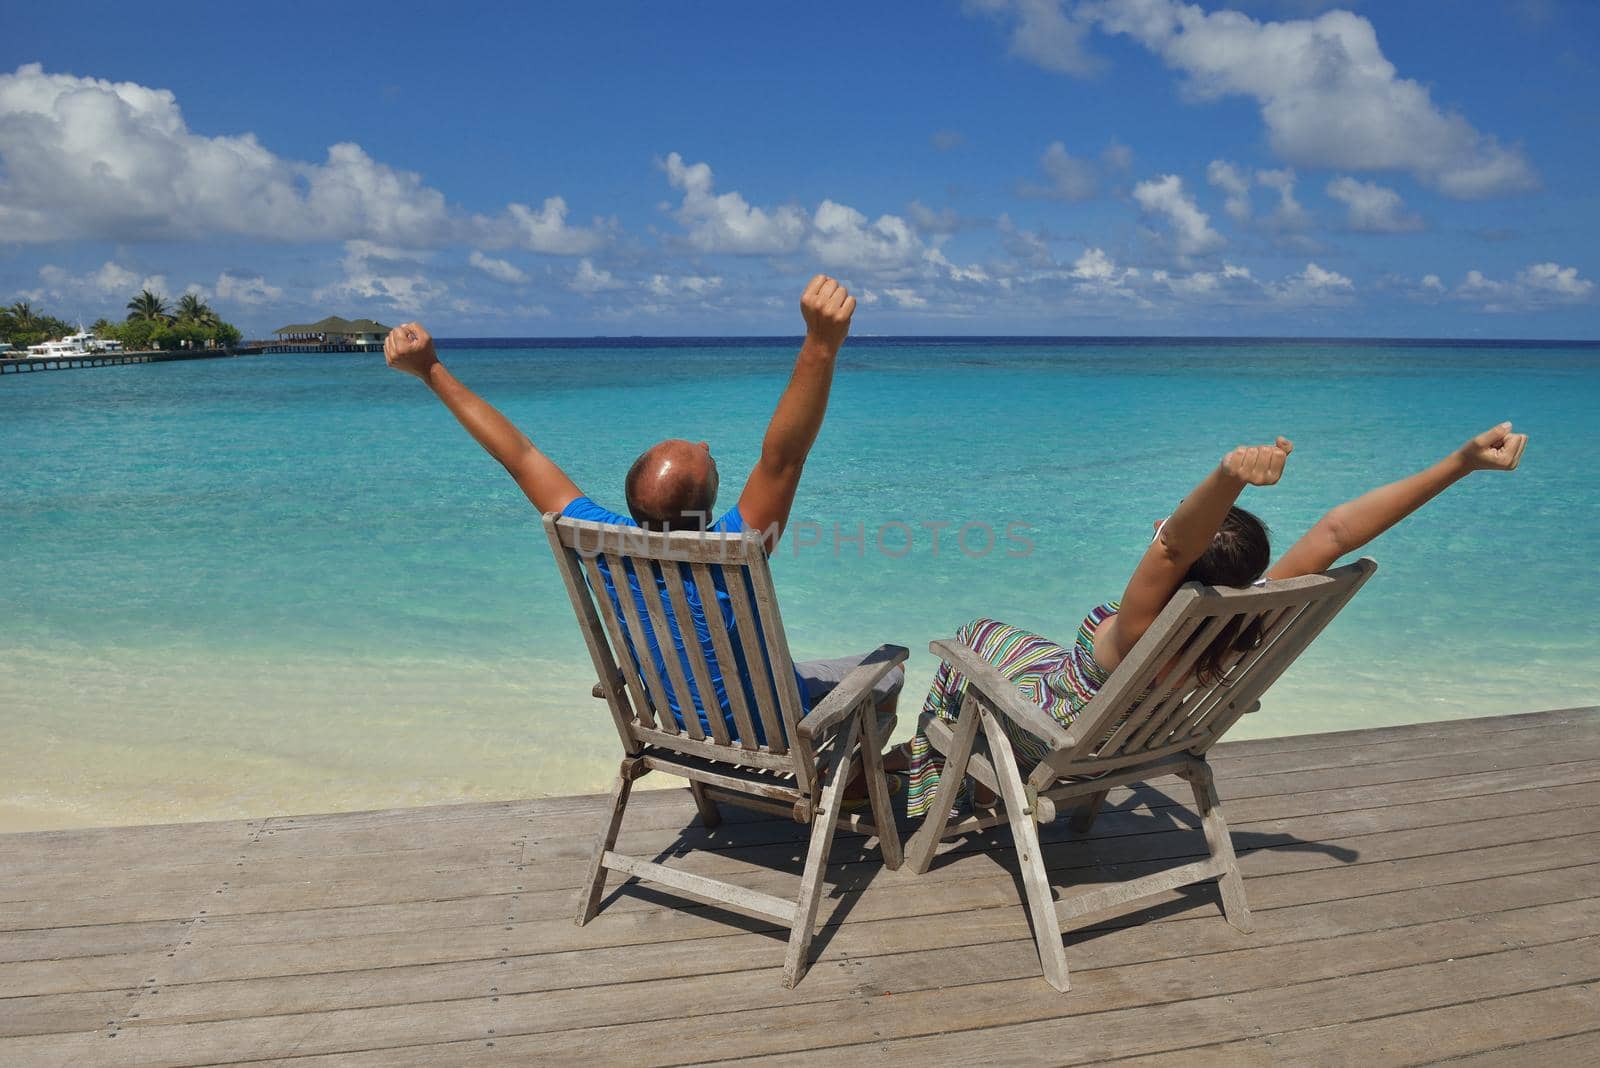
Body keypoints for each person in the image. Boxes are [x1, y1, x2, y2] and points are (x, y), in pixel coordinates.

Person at [897, 423, 1529, 816]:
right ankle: (956, 775)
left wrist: (1229, 477)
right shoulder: (1249, 619)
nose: (1166, 525)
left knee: (970, 643)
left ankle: (944, 786)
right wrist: (1459, 464)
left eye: (1175, 516)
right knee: (1002, 639)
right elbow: (1336, 531)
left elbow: (1173, 547)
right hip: (1138, 738)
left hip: (1059, 734)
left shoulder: (1143, 628)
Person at [382, 275, 904, 749]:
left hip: (682, 730)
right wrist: (820, 346)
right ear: (706, 504)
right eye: (708, 455)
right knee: (887, 672)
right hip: (772, 733)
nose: (705, 441)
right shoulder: (733, 546)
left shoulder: (600, 542)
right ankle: (854, 786)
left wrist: (430, 370)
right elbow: (784, 457)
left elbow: (518, 456)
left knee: (811, 668)